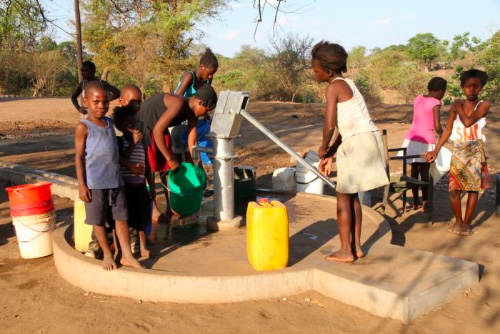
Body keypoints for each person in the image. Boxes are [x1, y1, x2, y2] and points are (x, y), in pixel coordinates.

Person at [312, 41, 389, 263]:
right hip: (366, 139)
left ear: (327, 70)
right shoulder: (350, 84)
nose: (314, 73)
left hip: (356, 144)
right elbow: (346, 128)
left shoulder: (333, 87)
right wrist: (331, 153)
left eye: (315, 70)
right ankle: (356, 246)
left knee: (342, 199)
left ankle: (346, 250)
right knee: (353, 196)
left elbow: (329, 126)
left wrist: (323, 148)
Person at [75, 81, 142, 270]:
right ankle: (107, 253)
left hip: (115, 181)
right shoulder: (84, 127)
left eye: (105, 102)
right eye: (96, 102)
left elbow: (115, 154)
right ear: (85, 102)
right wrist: (82, 185)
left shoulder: (110, 123)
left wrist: (129, 165)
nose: (101, 106)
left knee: (121, 217)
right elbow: (79, 157)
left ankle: (127, 255)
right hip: (95, 184)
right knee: (98, 220)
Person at [138, 83, 217, 238]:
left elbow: (192, 140)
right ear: (200, 102)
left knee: (168, 169)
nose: (204, 114)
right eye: (206, 110)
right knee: (149, 169)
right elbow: (156, 131)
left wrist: (197, 162)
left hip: (160, 129)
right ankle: (152, 208)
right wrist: (170, 158)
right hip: (145, 127)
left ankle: (171, 207)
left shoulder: (193, 113)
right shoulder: (178, 104)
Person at [424, 69, 491, 236]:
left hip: (475, 150)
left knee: (472, 189)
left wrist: (457, 106)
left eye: (476, 86)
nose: (472, 90)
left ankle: (466, 223)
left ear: (481, 88)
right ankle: (459, 221)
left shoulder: (484, 104)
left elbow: (468, 122)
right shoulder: (457, 106)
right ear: (462, 88)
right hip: (458, 149)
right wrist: (436, 150)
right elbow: (448, 130)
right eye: (468, 86)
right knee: (454, 190)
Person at [113, 105, 155, 258]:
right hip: (125, 187)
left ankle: (143, 247)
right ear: (120, 126)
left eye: (136, 124)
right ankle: (128, 247)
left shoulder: (143, 143)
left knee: (142, 219)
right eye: (130, 125)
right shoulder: (120, 141)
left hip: (140, 186)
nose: (135, 128)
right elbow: (121, 157)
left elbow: (148, 165)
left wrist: (151, 184)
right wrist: (133, 142)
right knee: (126, 218)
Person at [400, 77, 447, 211]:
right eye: (443, 92)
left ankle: (415, 201)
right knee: (425, 172)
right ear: (440, 90)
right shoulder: (435, 102)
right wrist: (443, 134)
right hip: (426, 139)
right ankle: (425, 201)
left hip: (412, 137)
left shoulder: (418, 98)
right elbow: (437, 126)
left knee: (414, 171)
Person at [172, 48, 218, 161]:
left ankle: (195, 170)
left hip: (192, 116)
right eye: (210, 73)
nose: (211, 76)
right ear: (202, 67)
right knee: (178, 148)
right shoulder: (189, 77)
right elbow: (177, 99)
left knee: (192, 147)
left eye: (213, 74)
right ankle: (179, 172)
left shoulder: (207, 80)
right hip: (179, 114)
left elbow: (206, 98)